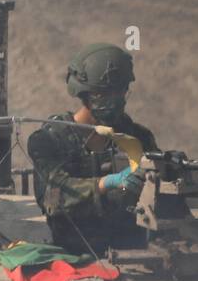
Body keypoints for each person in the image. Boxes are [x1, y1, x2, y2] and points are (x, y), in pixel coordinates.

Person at [26, 43, 158, 251]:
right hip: (76, 256)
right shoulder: (48, 141)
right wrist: (107, 183)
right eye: (102, 94)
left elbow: (160, 196)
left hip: (135, 253)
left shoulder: (137, 138)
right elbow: (54, 199)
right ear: (84, 94)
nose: (113, 101)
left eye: (119, 92)